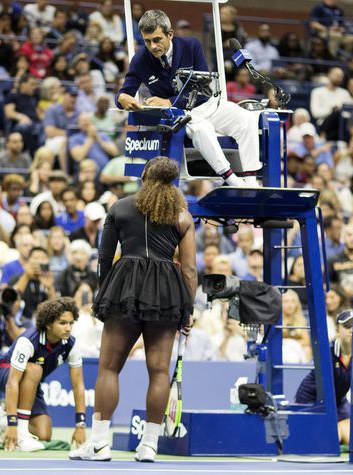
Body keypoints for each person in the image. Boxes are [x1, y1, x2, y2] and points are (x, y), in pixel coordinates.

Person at [70, 157, 196, 462]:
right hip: (166, 290)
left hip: (124, 286)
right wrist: (187, 309)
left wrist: (106, 293)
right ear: (173, 182)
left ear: (143, 176)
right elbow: (190, 269)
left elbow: (103, 257)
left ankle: (100, 444)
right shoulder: (182, 216)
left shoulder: (119, 207)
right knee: (160, 370)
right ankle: (149, 445)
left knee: (109, 367)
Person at [116, 10, 261, 187]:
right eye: (147, 41)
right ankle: (233, 181)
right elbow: (124, 92)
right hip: (179, 115)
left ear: (170, 34)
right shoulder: (140, 60)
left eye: (157, 39)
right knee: (202, 130)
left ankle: (251, 181)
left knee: (247, 119)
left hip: (206, 104)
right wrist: (122, 98)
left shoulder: (191, 45)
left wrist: (169, 101)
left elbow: (202, 87)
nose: (153, 46)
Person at [0, 297, 86, 452]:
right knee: (35, 370)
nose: (68, 328)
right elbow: (12, 382)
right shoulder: (28, 340)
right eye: (62, 323)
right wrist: (14, 424)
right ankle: (21, 433)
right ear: (48, 324)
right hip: (4, 374)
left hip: (32, 381)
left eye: (71, 323)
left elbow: (78, 385)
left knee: (44, 433)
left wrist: (80, 425)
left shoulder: (71, 344)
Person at [295, 309, 353, 444]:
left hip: (338, 401)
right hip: (312, 400)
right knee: (331, 438)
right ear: (338, 330)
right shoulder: (327, 353)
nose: (351, 330)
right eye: (347, 326)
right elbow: (326, 389)